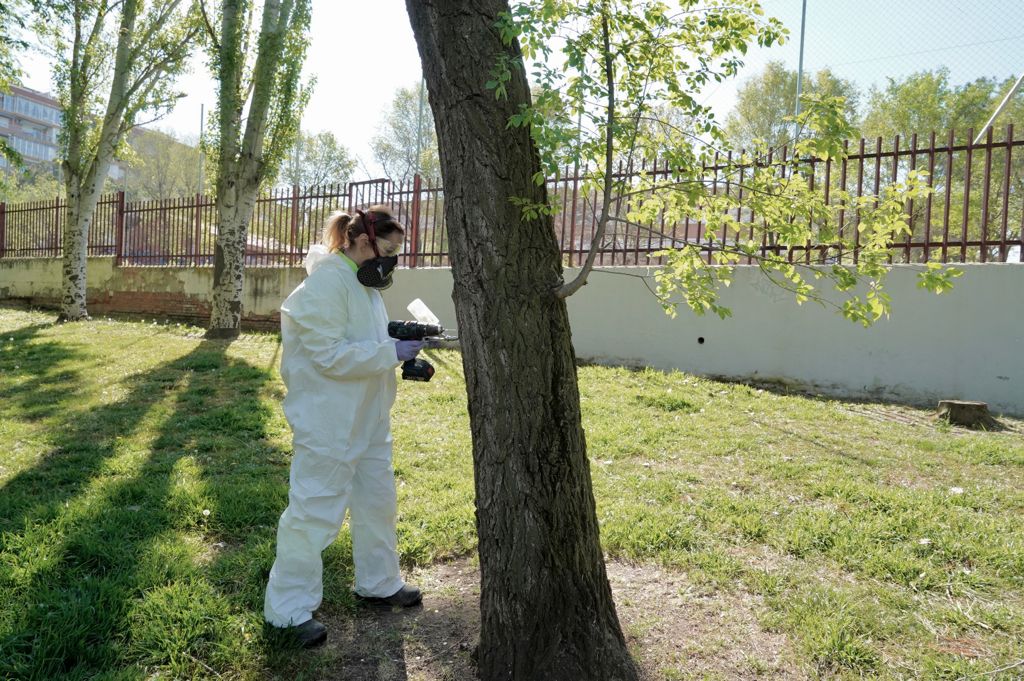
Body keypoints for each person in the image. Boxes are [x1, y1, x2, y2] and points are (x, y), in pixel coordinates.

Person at [264, 205, 425, 648]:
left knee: (377, 501)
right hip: (329, 421)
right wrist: (391, 352)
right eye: (388, 249)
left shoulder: (362, 284)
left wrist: (398, 338)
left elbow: (364, 339)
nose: (391, 260)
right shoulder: (325, 283)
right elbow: (329, 356)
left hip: (368, 417)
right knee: (313, 512)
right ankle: (287, 610)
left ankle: (379, 582)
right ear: (362, 240)